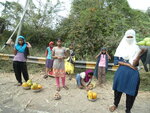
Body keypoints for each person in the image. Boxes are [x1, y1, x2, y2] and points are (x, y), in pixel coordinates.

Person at [109, 29, 147, 113]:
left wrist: (140, 54)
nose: (129, 38)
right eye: (128, 37)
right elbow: (116, 61)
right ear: (125, 37)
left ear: (134, 37)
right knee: (118, 90)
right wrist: (128, 64)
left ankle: (128, 109)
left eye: (131, 37)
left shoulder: (137, 48)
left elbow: (134, 64)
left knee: (131, 92)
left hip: (133, 74)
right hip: (121, 72)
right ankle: (115, 104)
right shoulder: (121, 47)